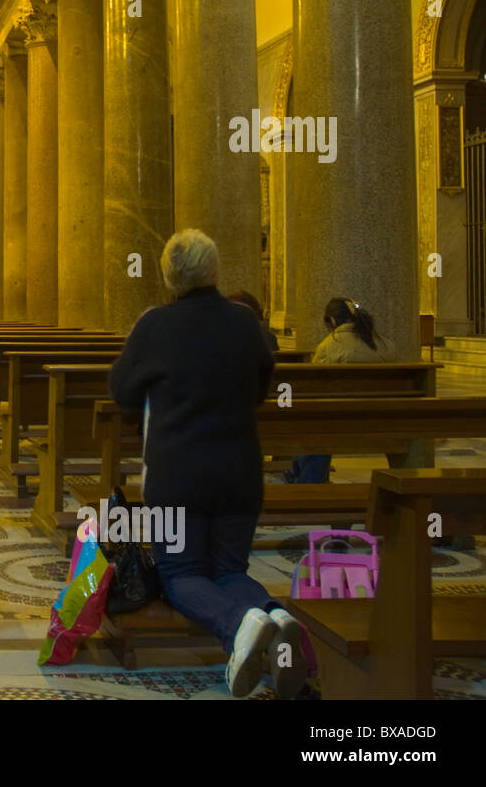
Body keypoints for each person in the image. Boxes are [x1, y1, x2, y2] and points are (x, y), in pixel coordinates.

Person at [108, 229, 306, 699]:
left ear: (168, 275)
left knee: (181, 577)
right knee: (231, 570)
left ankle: (240, 624)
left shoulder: (155, 325)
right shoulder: (244, 323)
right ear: (216, 271)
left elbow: (121, 390)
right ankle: (274, 619)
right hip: (239, 472)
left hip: (177, 476)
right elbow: (261, 386)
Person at [287, 297, 395, 484]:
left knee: (309, 426)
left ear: (333, 321)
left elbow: (314, 391)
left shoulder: (328, 347)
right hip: (385, 419)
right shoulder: (385, 344)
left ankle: (306, 482)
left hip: (339, 422)